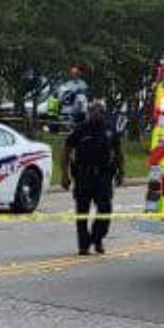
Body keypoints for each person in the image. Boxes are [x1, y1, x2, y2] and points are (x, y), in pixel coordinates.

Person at [62, 101, 119, 255]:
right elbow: (66, 149)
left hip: (103, 176)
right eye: (93, 111)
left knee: (105, 210)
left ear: (103, 113)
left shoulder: (110, 130)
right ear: (89, 112)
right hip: (83, 176)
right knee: (82, 213)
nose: (96, 114)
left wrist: (121, 172)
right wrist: (64, 175)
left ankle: (96, 238)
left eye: (99, 111)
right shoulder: (80, 129)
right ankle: (83, 245)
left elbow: (118, 151)